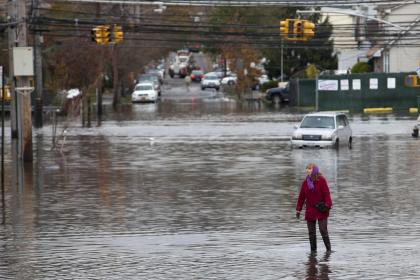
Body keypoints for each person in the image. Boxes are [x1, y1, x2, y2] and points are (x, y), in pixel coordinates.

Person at [296, 163, 332, 252]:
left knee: (323, 230)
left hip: (321, 209)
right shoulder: (305, 183)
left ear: (314, 170)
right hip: (310, 210)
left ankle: (329, 250)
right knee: (311, 233)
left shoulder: (321, 180)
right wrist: (298, 209)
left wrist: (328, 205)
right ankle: (313, 252)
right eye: (307, 169)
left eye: (310, 169)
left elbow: (327, 194)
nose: (308, 170)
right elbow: (301, 197)